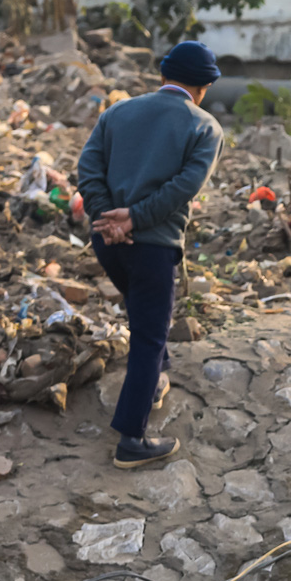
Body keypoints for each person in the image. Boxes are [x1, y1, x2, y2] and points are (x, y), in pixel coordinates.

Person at [75, 40, 224, 470]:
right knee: (148, 335)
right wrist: (135, 219)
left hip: (107, 242)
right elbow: (183, 189)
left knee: (144, 318)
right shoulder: (205, 127)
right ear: (205, 86)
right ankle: (132, 439)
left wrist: (109, 218)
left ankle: (157, 377)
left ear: (162, 75)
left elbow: (88, 168)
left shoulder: (117, 112)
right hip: (154, 245)